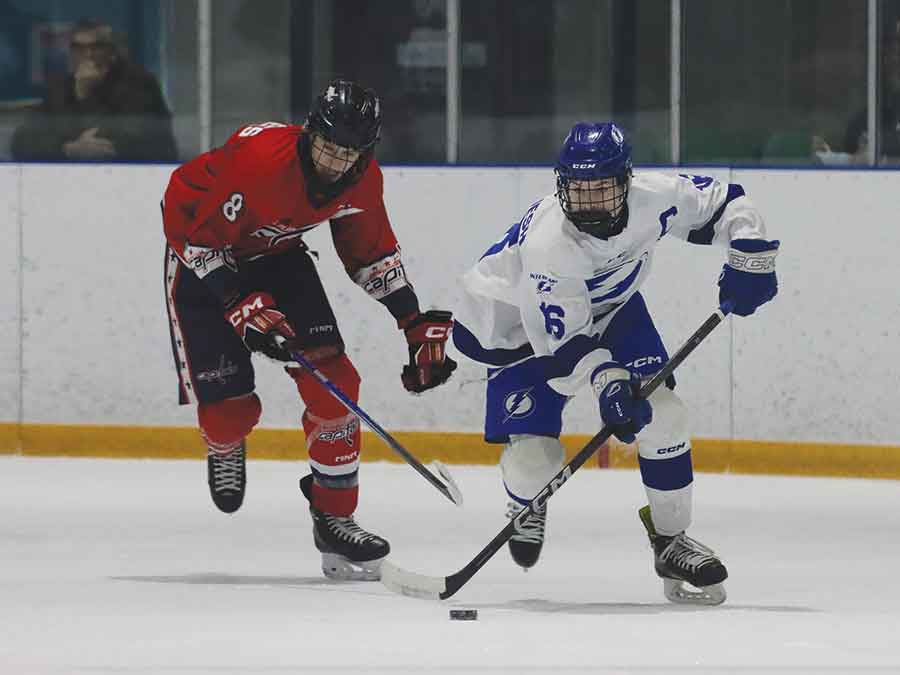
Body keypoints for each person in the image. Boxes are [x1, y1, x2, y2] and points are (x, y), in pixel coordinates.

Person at [451, 122, 779, 605]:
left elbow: (727, 202)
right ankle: (526, 503)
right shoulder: (549, 246)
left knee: (666, 415)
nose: (589, 203)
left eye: (601, 188)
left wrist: (750, 254)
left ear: (626, 181)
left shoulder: (655, 196)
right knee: (534, 463)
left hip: (614, 306)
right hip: (516, 329)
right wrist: (609, 386)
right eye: (577, 191)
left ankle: (671, 541)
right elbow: (566, 349)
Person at [161, 79, 456, 581]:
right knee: (231, 414)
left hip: (278, 256)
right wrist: (238, 301)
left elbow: (371, 255)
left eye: (350, 152)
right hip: (203, 260)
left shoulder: (363, 179)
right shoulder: (258, 161)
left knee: (338, 383)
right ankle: (225, 444)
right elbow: (194, 232)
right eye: (327, 146)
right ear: (309, 133)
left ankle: (335, 520)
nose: (335, 162)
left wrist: (411, 319)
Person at [11, 19, 177, 162]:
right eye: (79, 48)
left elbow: (111, 141)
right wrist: (66, 148)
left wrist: (85, 95)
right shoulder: (61, 87)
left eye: (96, 47)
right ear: (71, 53)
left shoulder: (139, 84)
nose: (88, 55)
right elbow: (21, 142)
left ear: (111, 52)